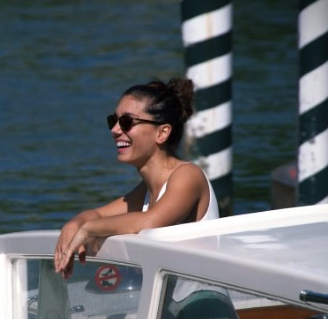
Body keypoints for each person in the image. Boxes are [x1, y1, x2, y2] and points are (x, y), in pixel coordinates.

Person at [54, 78, 218, 278]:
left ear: (162, 132)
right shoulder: (146, 191)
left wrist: (87, 230)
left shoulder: (188, 176)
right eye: (112, 121)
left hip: (201, 301)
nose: (115, 130)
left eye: (126, 122)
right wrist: (74, 223)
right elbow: (97, 215)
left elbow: (148, 222)